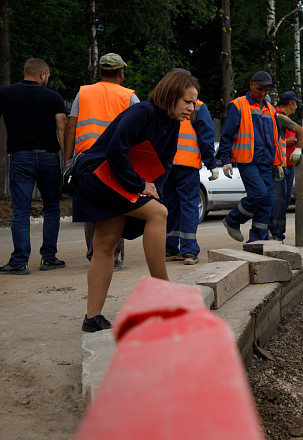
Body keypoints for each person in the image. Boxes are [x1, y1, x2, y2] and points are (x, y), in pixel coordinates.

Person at [72, 69, 200, 332]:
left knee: (105, 244)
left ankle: (92, 318)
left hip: (120, 180)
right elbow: (116, 149)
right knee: (158, 214)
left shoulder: (172, 123)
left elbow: (163, 163)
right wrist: (140, 185)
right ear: (171, 95)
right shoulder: (143, 112)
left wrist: (153, 188)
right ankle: (163, 293)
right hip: (99, 175)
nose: (191, 108)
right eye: (187, 101)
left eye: (194, 102)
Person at [65, 53, 140, 272]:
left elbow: (71, 126)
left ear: (101, 72)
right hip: (115, 158)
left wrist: (68, 159)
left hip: (87, 157)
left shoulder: (83, 93)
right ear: (121, 73)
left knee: (91, 206)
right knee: (117, 203)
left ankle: (94, 254)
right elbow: (137, 129)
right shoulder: (129, 97)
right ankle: (114, 258)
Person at [0, 58, 67, 275]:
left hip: (20, 157)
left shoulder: (6, 93)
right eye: (47, 76)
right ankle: (49, 258)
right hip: (48, 157)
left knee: (20, 210)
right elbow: (61, 127)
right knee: (52, 208)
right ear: (42, 75)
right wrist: (66, 159)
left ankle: (19, 261)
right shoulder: (53, 96)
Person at [218, 71, 285, 243]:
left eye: (266, 90)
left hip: (267, 162)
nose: (262, 93)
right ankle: (232, 220)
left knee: (267, 202)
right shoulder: (238, 105)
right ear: (251, 86)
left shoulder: (270, 109)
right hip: (247, 161)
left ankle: (257, 241)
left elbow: (275, 138)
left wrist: (278, 162)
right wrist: (225, 160)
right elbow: (227, 135)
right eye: (260, 89)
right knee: (259, 195)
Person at [164, 96, 219, 265]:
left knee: (170, 206)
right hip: (187, 164)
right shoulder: (197, 106)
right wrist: (211, 163)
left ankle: (170, 250)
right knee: (188, 205)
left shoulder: (166, 102)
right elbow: (206, 136)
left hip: (166, 163)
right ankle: (189, 252)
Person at [269, 91, 303, 242]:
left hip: (288, 164)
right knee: (277, 201)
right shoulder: (275, 116)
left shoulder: (287, 119)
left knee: (282, 201)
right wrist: (287, 143)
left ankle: (277, 233)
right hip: (278, 165)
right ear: (291, 104)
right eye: (296, 104)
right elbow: (271, 140)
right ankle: (276, 234)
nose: (296, 107)